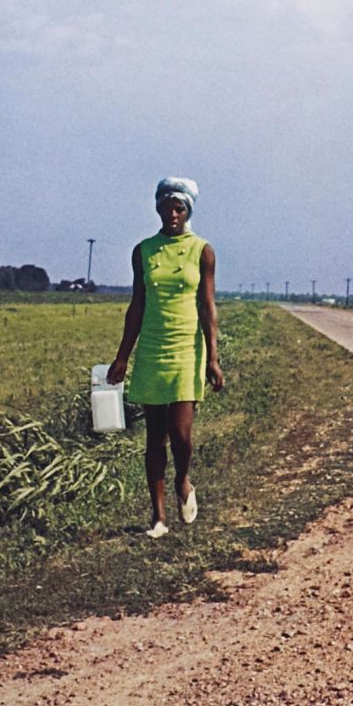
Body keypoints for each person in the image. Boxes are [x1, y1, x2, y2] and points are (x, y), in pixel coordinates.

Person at [108, 176, 224, 538]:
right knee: (155, 436)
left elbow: (207, 306)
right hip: (153, 348)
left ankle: (182, 480)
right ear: (157, 209)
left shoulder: (202, 251)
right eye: (167, 208)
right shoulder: (143, 251)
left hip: (187, 348)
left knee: (181, 433)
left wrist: (213, 358)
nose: (172, 214)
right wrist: (122, 357)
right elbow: (137, 305)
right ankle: (158, 518)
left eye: (179, 209)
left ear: (188, 212)